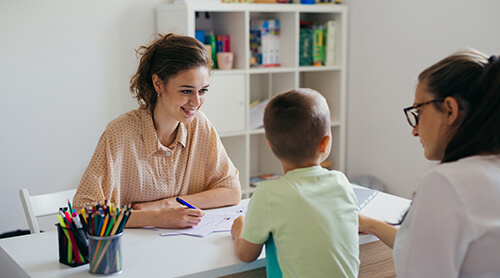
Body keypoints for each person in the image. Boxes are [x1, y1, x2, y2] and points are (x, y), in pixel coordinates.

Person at [73, 33, 241, 229]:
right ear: (158, 84)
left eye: (203, 90)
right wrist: (155, 217)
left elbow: (232, 191)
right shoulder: (119, 133)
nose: (196, 102)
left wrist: (168, 203)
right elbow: (83, 212)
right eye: (186, 91)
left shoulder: (200, 125)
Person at [359, 49, 500, 277]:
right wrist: (371, 224)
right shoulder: (490, 171)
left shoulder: (448, 183)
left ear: (450, 109)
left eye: (418, 112)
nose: (414, 130)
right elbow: (429, 244)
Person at [231, 88, 360, 277]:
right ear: (325, 143)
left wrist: (239, 228)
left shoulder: (268, 194)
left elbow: (246, 254)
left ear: (269, 144)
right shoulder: (341, 182)